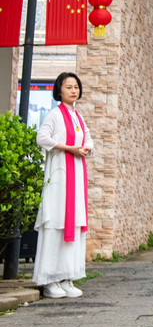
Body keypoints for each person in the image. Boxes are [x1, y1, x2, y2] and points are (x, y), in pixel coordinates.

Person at [32, 72, 92, 299]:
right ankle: (49, 279)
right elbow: (42, 138)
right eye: (68, 87)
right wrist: (68, 148)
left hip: (75, 177)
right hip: (59, 179)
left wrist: (86, 147)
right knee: (56, 222)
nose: (73, 90)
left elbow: (88, 138)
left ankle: (67, 277)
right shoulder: (54, 115)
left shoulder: (79, 117)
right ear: (59, 90)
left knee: (74, 222)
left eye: (76, 87)